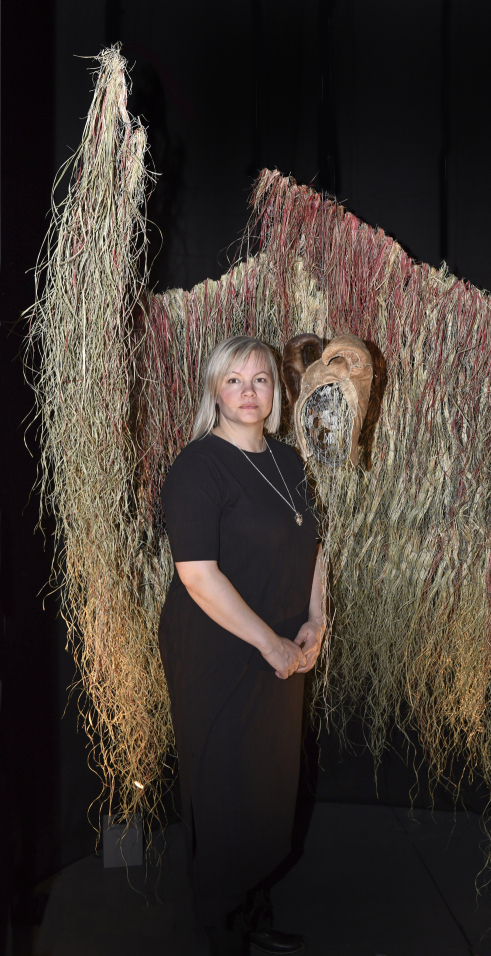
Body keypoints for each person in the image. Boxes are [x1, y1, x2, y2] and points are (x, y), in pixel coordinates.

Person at [158, 336, 325, 956]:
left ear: (276, 393)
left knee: (268, 784)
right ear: (213, 392)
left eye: (260, 380)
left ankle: (252, 909)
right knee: (227, 788)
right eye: (234, 380)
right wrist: (271, 646)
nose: (249, 392)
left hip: (281, 645)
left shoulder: (287, 462)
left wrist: (314, 619)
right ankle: (220, 931)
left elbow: (314, 547)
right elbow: (198, 576)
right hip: (221, 649)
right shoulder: (198, 466)